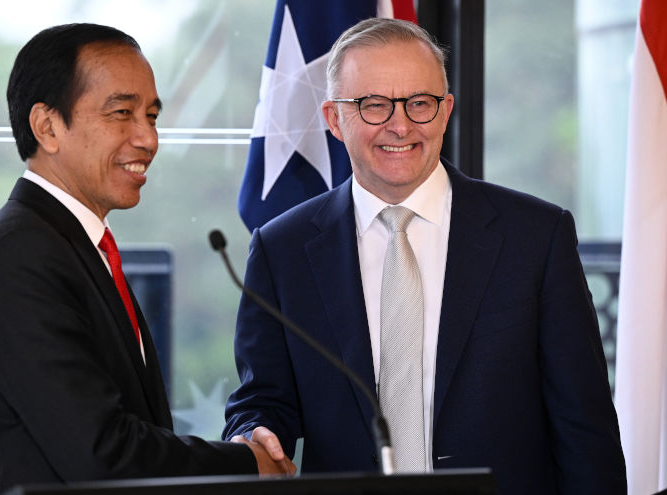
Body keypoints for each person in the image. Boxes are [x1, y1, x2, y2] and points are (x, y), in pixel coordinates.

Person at [222, 17, 626, 495]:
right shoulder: (281, 250)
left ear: (446, 109)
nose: (400, 124)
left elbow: (584, 428)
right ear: (334, 119)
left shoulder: (536, 237)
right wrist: (255, 433)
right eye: (373, 105)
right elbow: (263, 399)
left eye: (420, 103)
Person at [0, 23, 294, 495]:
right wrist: (246, 463)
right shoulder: (19, 256)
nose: (148, 139)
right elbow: (102, 453)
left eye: (152, 116)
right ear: (47, 127)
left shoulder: (73, 245)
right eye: (121, 113)